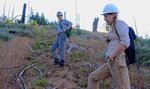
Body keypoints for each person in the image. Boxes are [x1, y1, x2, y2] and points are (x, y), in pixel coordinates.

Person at [88, 4, 131, 89]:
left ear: (114, 15)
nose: (104, 18)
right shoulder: (112, 27)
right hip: (111, 61)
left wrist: (112, 55)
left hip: (117, 61)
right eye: (104, 16)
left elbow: (125, 43)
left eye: (106, 16)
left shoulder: (120, 23)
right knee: (93, 78)